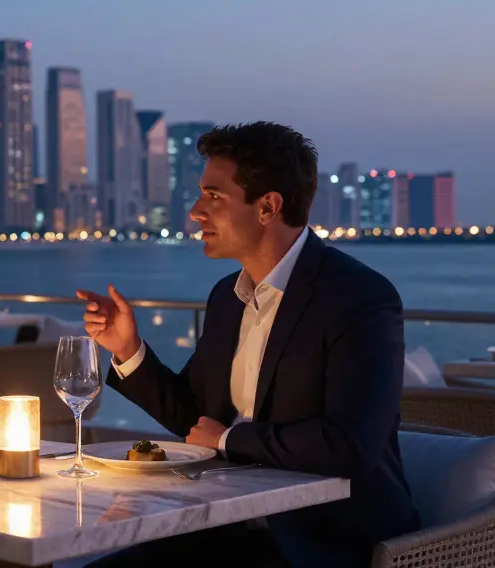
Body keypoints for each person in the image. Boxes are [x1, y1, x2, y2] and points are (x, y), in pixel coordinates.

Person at [77, 122, 419, 567]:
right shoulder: (227, 297)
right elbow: (196, 421)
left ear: (267, 207)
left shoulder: (357, 297)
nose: (196, 212)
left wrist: (232, 439)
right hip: (226, 523)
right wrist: (128, 350)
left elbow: (351, 445)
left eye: (213, 196)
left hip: (319, 540)